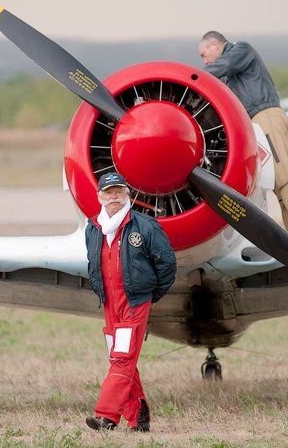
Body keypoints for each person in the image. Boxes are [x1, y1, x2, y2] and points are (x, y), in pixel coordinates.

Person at [198, 31, 288, 233]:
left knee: (280, 169)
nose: (205, 62)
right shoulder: (230, 73)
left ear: (215, 45)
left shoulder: (240, 50)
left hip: (265, 115)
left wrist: (194, 77)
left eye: (204, 55)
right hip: (256, 122)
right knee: (274, 178)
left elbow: (223, 66)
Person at [84, 172, 177, 432]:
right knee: (118, 355)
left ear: (127, 195)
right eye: (109, 192)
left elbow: (167, 264)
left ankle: (106, 417)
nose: (114, 197)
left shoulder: (146, 227)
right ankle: (139, 416)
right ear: (100, 196)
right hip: (110, 304)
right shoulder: (93, 228)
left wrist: (150, 295)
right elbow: (93, 264)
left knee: (123, 357)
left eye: (118, 192)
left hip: (135, 302)